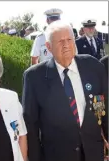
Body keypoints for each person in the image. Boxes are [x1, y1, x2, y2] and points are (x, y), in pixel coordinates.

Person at [22, 20, 108, 161]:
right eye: (60, 41)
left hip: (93, 153)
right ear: (49, 47)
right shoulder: (34, 77)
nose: (66, 45)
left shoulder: (93, 66)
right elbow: (31, 125)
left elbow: (104, 108)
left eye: (69, 39)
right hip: (57, 155)